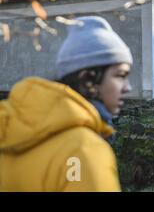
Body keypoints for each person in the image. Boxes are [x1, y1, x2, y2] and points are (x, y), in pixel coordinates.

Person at [0, 16, 133, 192]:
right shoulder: (84, 149)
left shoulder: (8, 133)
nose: (128, 88)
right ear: (88, 79)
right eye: (120, 76)